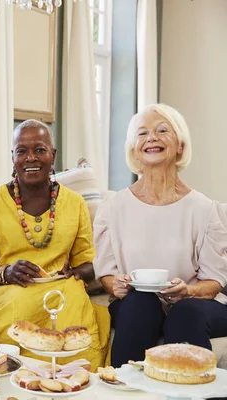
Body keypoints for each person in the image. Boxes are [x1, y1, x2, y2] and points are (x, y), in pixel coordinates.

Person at [0, 119, 110, 369]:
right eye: (22, 151)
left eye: (40, 150)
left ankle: (78, 380)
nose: (30, 158)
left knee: (74, 294)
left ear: (52, 155)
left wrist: (77, 272)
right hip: (8, 288)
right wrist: (6, 273)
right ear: (13, 157)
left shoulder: (75, 203)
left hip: (57, 286)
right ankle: (24, 380)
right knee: (22, 301)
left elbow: (88, 261)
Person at [93, 103, 227, 368]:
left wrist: (188, 291)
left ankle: (188, 394)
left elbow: (214, 282)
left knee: (185, 310)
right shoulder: (113, 208)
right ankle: (125, 392)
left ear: (180, 145)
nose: (151, 138)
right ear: (134, 149)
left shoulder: (205, 209)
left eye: (162, 130)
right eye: (142, 133)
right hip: (137, 303)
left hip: (196, 304)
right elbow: (106, 273)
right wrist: (114, 284)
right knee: (140, 303)